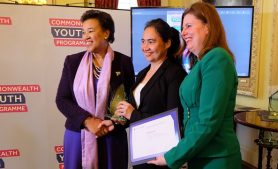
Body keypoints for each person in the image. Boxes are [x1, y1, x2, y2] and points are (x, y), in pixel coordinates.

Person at [148, 2, 242, 169]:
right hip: (200, 154)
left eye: (189, 26)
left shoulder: (217, 58)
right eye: (182, 27)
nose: (183, 32)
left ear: (207, 27)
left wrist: (172, 156)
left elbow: (208, 121)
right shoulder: (201, 62)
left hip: (217, 158)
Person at [55, 9, 135, 169]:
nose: (85, 36)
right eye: (83, 32)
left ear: (106, 33)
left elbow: (129, 101)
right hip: (78, 135)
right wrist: (87, 121)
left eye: (90, 31)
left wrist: (112, 124)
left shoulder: (123, 62)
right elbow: (62, 99)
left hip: (112, 136)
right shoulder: (73, 62)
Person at [114, 18, 187, 169]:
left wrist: (132, 114)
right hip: (141, 150)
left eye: (151, 42)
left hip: (160, 155)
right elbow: (136, 109)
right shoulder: (142, 73)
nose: (145, 47)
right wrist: (115, 121)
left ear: (167, 43)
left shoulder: (175, 74)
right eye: (143, 41)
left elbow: (173, 120)